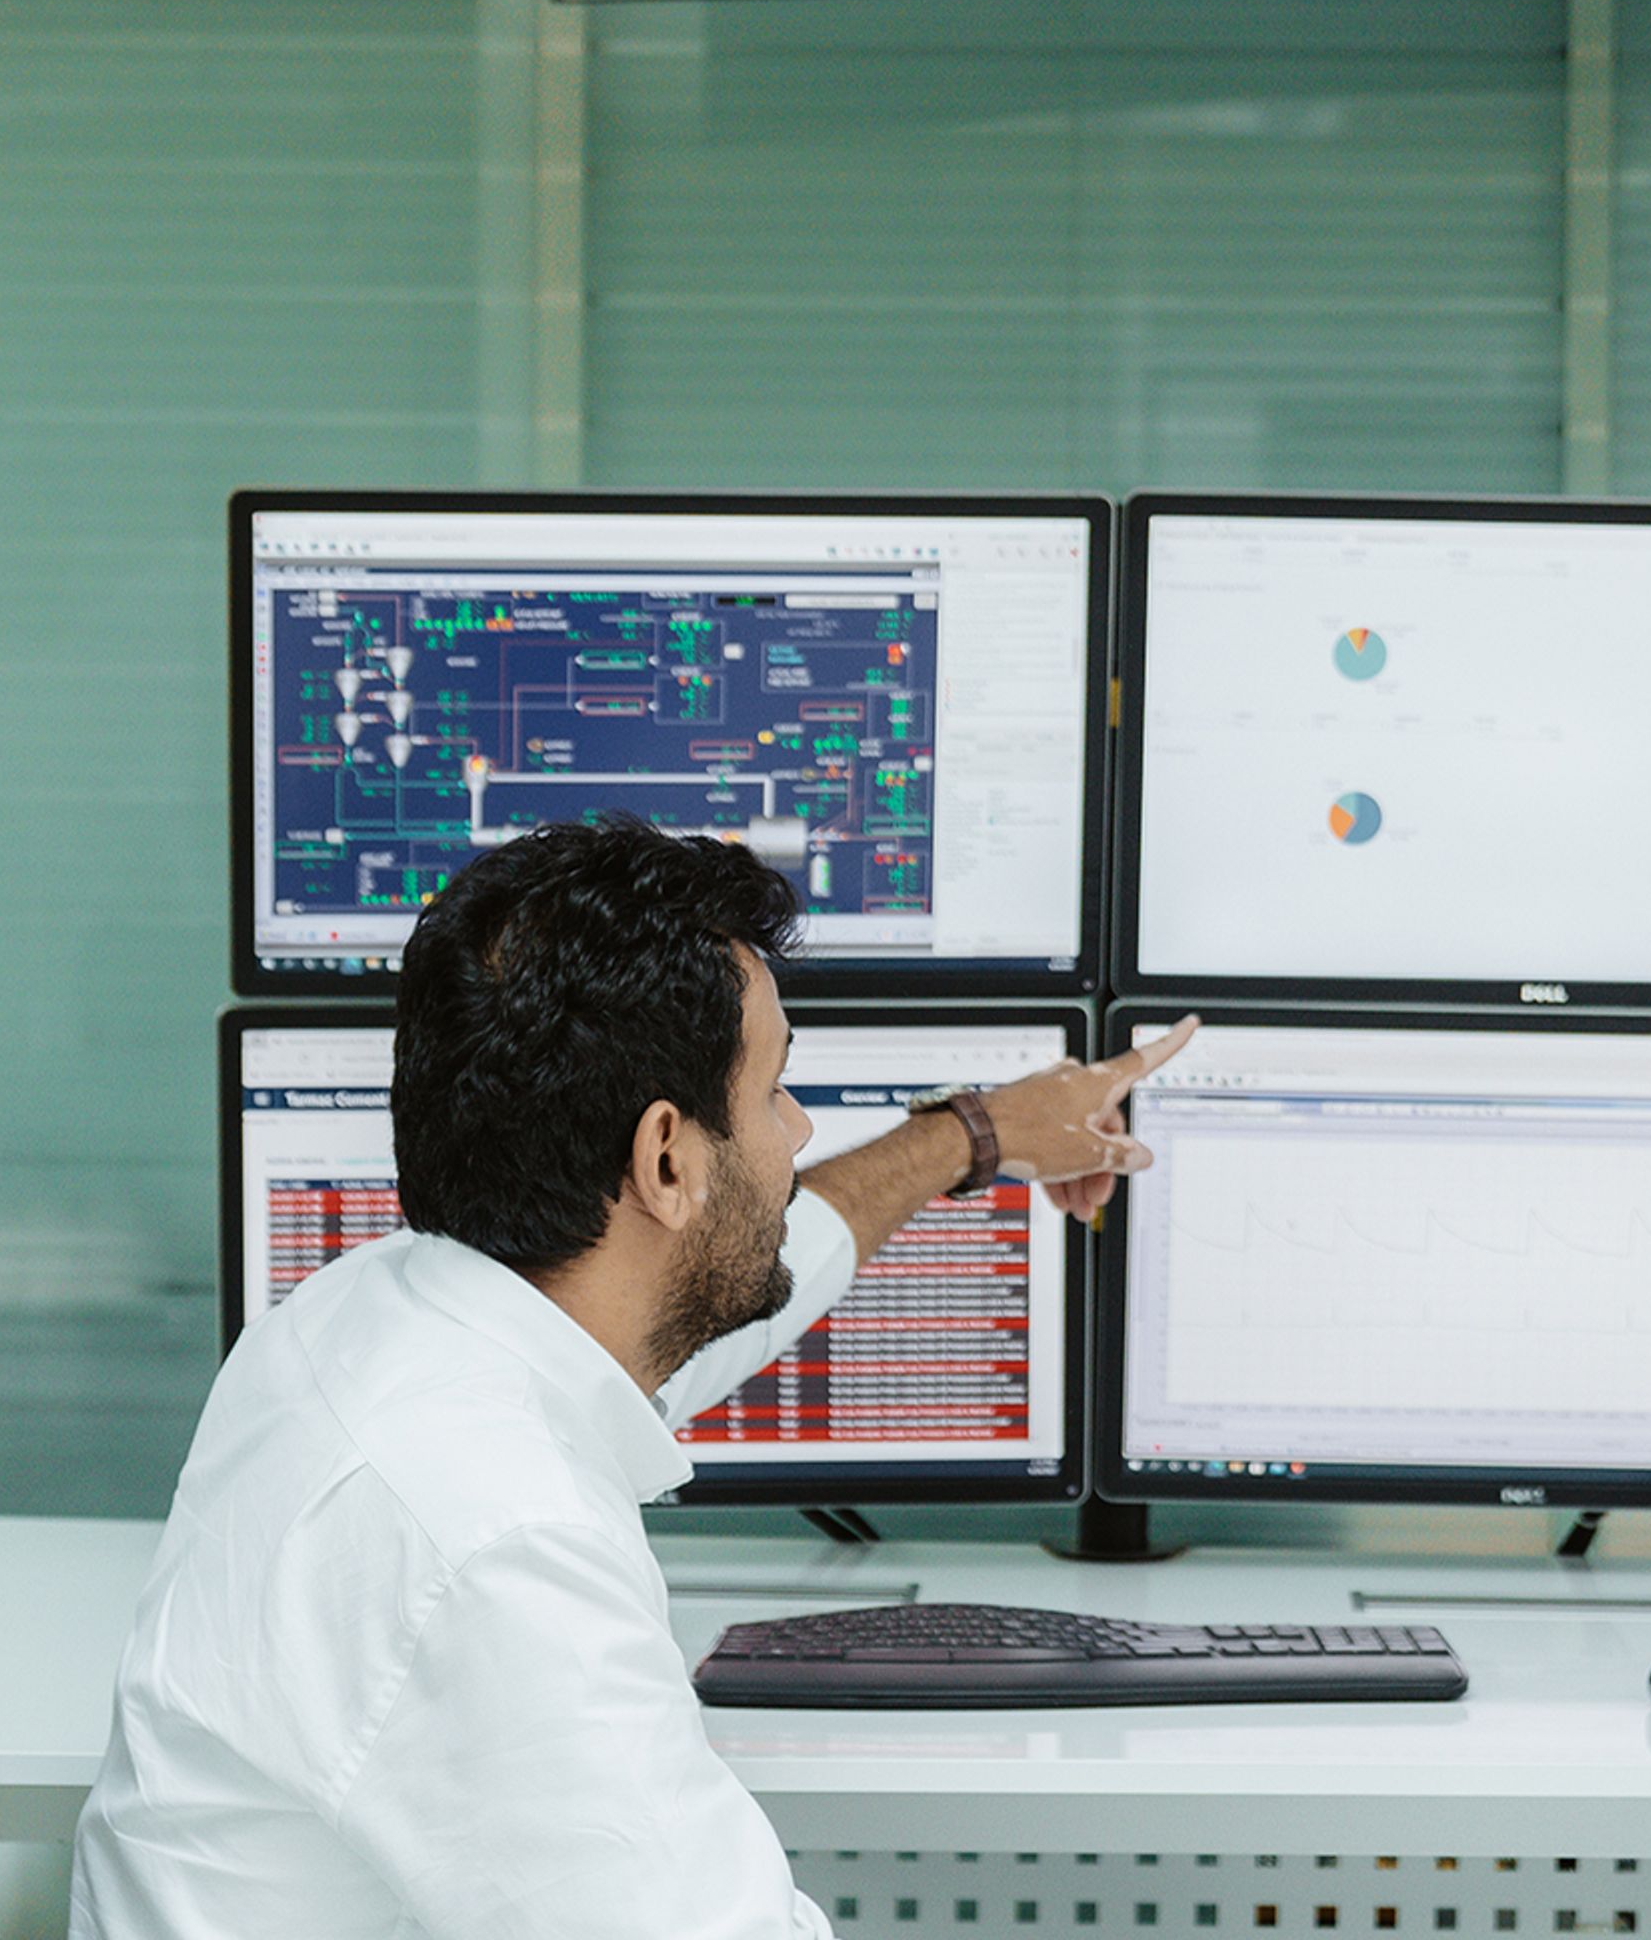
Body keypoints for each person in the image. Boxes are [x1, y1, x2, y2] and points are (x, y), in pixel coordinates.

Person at [71, 817, 1194, 1939]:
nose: (797, 1131)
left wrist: (976, 1136)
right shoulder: (498, 1539)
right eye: (773, 1096)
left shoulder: (369, 1319)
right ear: (666, 1158)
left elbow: (738, 1278)